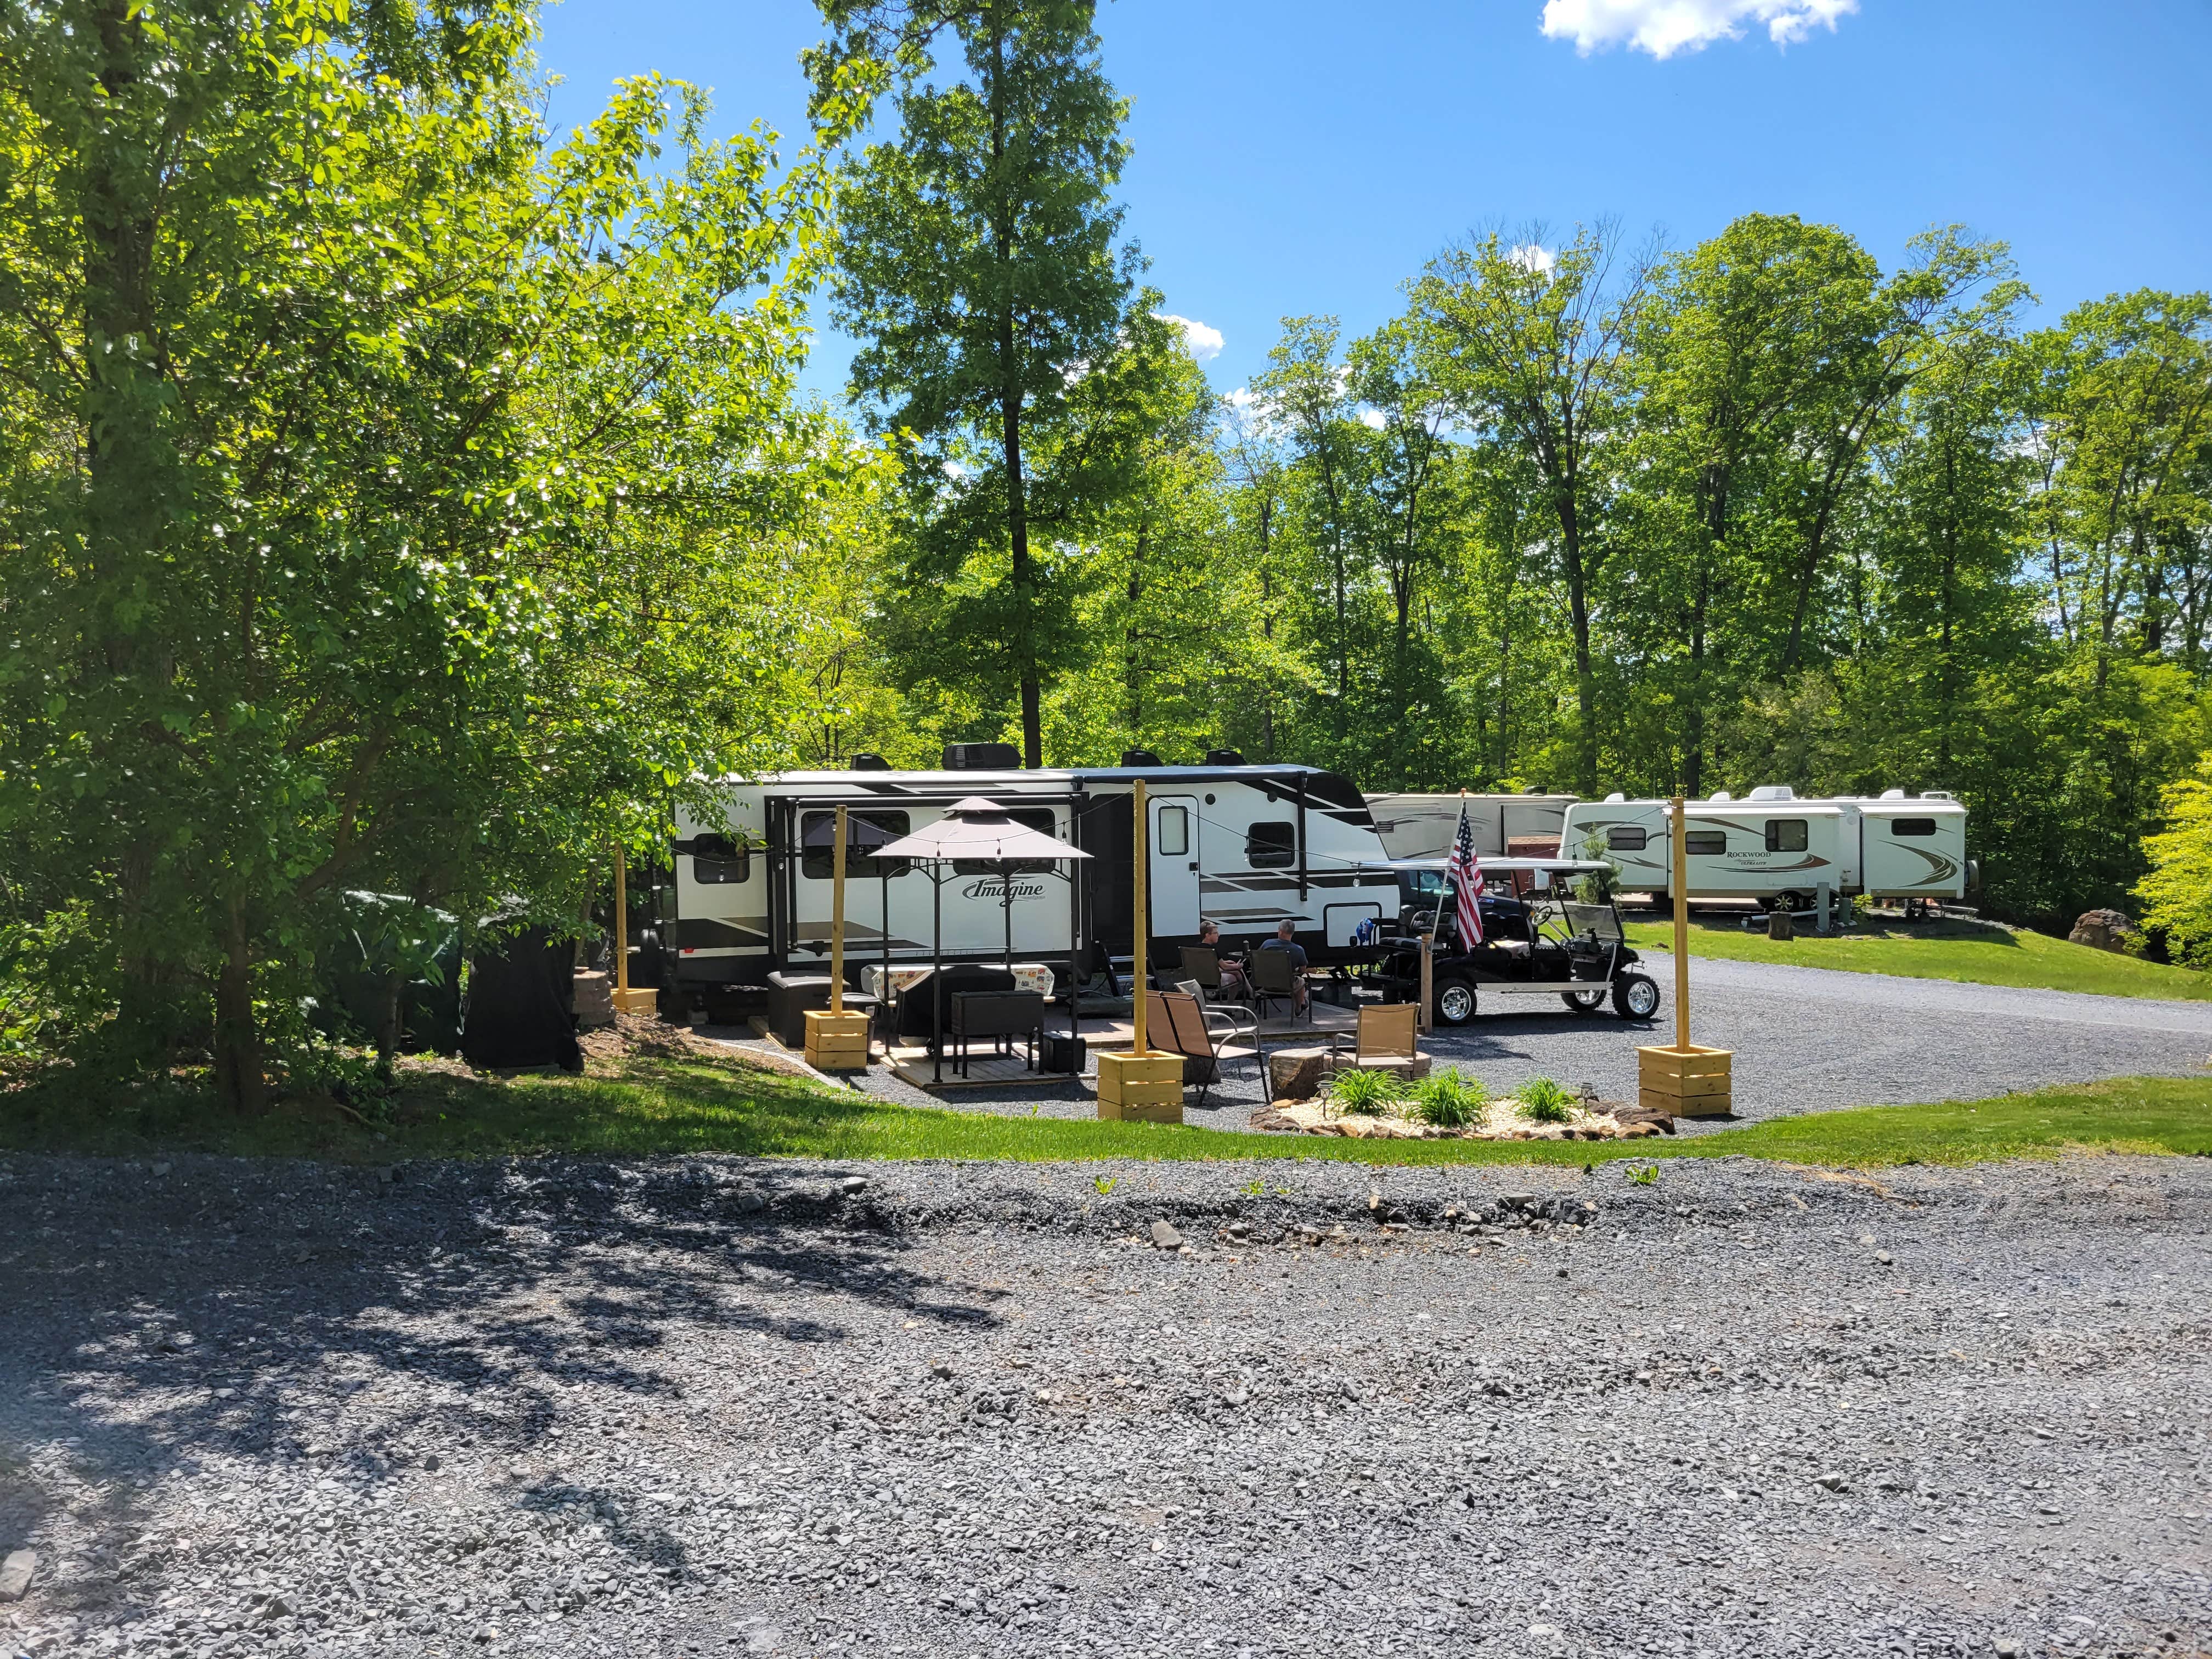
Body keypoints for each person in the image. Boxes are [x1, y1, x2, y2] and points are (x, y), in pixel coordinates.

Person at [1256, 918, 1310, 1011]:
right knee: (1301, 981)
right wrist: (1295, 970)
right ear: (1293, 933)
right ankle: (1299, 1007)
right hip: (1287, 986)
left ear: (1280, 932)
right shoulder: (1298, 950)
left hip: (1267, 985)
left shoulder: (1267, 944)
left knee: (1298, 982)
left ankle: (1303, 1003)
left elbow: (1258, 960)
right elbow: (1303, 970)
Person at [1199, 919, 1248, 1000]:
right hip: (1213, 982)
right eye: (1215, 933)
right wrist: (1238, 966)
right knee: (1237, 975)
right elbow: (1225, 967)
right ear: (1208, 935)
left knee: (1235, 970)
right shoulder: (1212, 951)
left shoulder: (1196, 949)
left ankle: (1250, 992)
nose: (1218, 935)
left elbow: (1211, 964)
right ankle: (1231, 1004)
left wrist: (1229, 963)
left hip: (1198, 981)